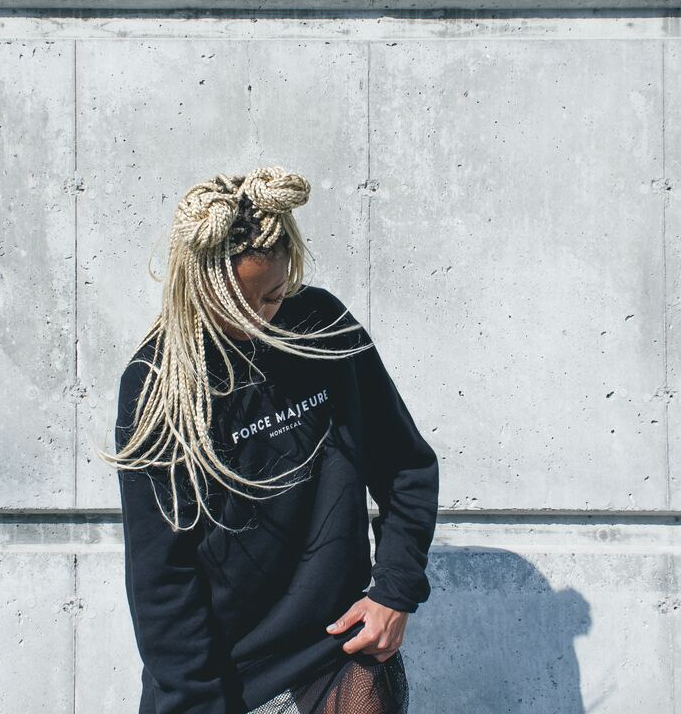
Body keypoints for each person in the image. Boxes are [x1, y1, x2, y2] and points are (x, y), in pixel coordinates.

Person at [97, 166, 440, 713]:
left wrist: (393, 592)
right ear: (200, 286)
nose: (260, 319)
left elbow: (406, 466)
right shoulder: (158, 384)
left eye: (274, 297)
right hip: (222, 675)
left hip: (333, 649)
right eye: (239, 304)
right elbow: (160, 577)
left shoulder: (322, 325)